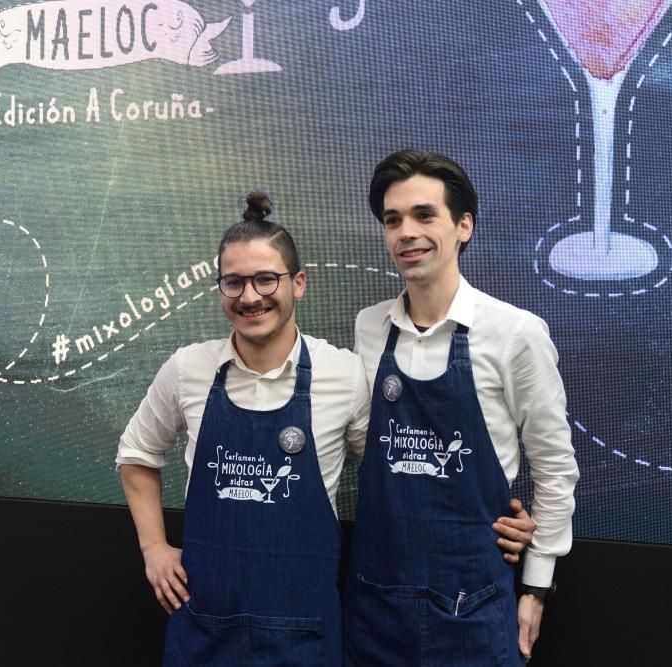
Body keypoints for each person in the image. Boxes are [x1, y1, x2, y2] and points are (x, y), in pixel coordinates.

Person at [117, 192, 536, 666]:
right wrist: (154, 548)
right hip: (205, 632)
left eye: (265, 280)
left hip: (306, 639)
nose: (250, 296)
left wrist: (489, 520)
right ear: (220, 290)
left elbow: (396, 473)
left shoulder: (344, 373)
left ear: (298, 284)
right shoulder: (188, 368)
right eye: (233, 283)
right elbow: (136, 454)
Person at [344, 150, 580, 666]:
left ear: (463, 226)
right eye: (393, 220)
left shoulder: (515, 333)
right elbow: (365, 445)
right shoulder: (368, 328)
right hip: (374, 604)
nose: (407, 232)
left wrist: (537, 585)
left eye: (424, 215)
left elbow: (556, 467)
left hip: (474, 608)